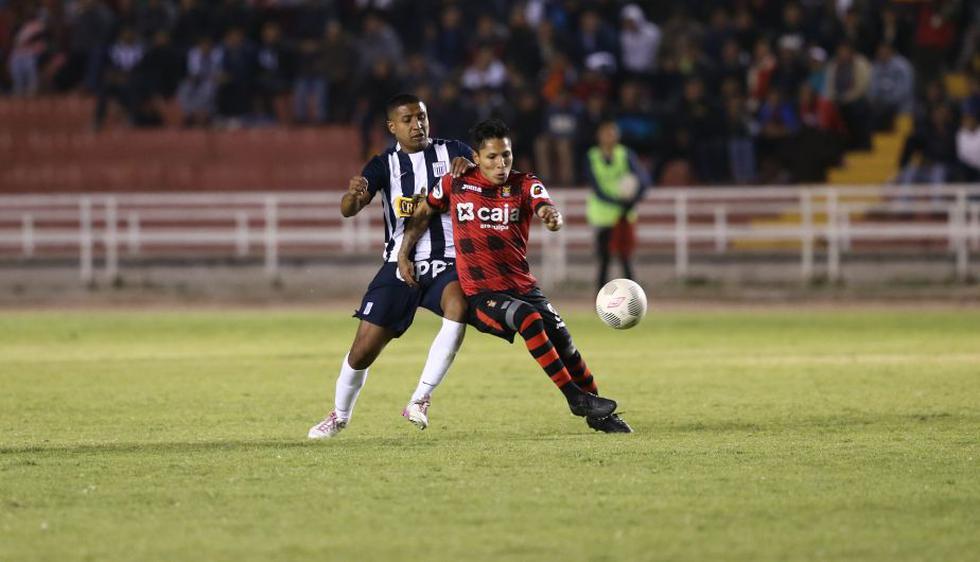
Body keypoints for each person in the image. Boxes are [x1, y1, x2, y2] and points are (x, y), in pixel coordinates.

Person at [399, 118, 632, 434]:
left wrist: (551, 216)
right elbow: (426, 209)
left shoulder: (524, 184)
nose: (501, 164)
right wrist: (404, 251)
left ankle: (599, 414)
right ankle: (575, 399)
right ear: (476, 158)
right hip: (482, 293)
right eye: (492, 157)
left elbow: (545, 205)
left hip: (523, 286)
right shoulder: (455, 182)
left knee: (566, 345)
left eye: (506, 155)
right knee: (527, 319)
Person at [307, 94, 474, 439]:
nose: (417, 125)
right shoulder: (383, 165)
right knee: (363, 350)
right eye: (408, 120)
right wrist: (353, 196)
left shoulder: (454, 150)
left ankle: (420, 398)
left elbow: (486, 177)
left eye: (422, 117)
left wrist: (470, 168)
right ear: (392, 127)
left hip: (448, 261)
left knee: (458, 307)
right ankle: (339, 415)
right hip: (400, 263)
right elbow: (348, 209)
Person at [584, 119, 651, 293]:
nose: (609, 137)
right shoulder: (593, 156)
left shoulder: (625, 154)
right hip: (603, 215)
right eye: (605, 133)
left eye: (612, 133)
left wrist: (633, 199)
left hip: (623, 215)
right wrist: (621, 202)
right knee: (604, 259)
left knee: (625, 257)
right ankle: (600, 300)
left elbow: (643, 180)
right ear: (599, 136)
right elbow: (596, 188)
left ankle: (633, 298)